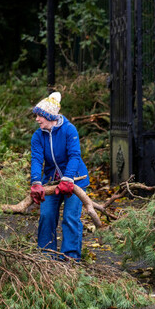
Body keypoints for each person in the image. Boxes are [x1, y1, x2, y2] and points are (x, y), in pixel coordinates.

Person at [29, 91, 90, 261]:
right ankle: (46, 257)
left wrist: (68, 178)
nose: (37, 119)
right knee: (46, 215)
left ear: (49, 116)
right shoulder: (37, 136)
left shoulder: (69, 130)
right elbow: (36, 159)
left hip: (75, 180)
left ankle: (70, 259)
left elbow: (75, 156)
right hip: (51, 181)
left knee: (70, 217)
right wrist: (36, 182)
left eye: (40, 116)